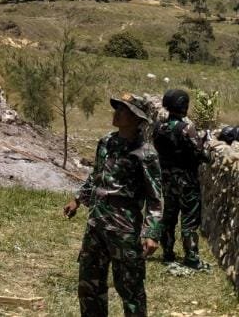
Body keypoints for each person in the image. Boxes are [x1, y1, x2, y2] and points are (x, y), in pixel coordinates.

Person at [63, 93, 164, 317]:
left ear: (137, 118)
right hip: (96, 223)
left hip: (124, 229)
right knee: (89, 285)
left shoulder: (145, 154)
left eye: (123, 110)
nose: (116, 113)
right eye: (116, 108)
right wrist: (78, 200)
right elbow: (96, 176)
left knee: (131, 290)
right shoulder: (106, 142)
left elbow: (155, 196)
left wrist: (152, 232)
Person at [153, 89, 210, 270]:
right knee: (189, 220)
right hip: (187, 181)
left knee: (169, 217)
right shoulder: (186, 128)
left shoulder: (158, 128)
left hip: (168, 180)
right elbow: (203, 154)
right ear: (183, 105)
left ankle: (168, 253)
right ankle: (191, 258)